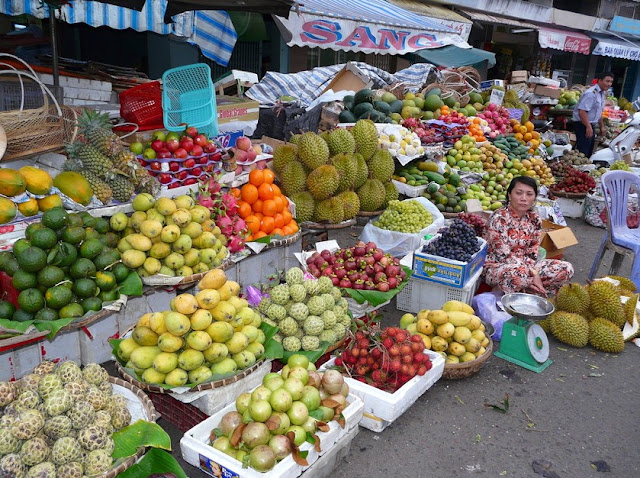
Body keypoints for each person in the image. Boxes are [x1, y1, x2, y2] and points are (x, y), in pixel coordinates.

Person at [483, 176, 574, 297]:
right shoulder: (499, 218)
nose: (523, 198)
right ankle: (528, 289)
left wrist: (532, 272)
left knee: (566, 268)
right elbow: (503, 255)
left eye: (529, 194)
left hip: (527, 266)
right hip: (497, 266)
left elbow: (532, 253)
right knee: (517, 275)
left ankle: (530, 289)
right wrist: (532, 275)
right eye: (519, 193)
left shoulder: (535, 219)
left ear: (535, 197)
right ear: (510, 195)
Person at [572, 71, 614, 157]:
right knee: (583, 151)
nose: (609, 84)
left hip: (590, 125)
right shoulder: (591, 94)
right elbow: (582, 111)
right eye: (607, 81)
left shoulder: (602, 94)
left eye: (611, 82)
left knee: (589, 150)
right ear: (600, 81)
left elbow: (598, 112)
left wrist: (602, 126)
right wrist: (588, 127)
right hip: (582, 125)